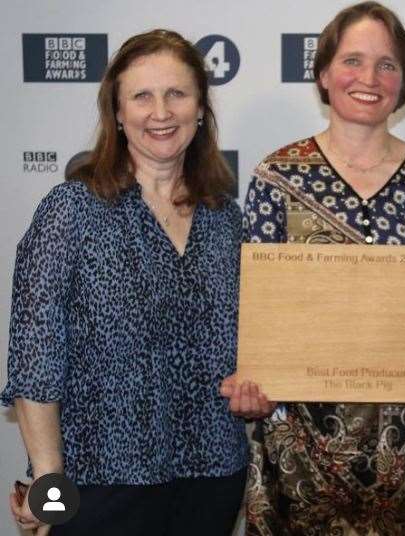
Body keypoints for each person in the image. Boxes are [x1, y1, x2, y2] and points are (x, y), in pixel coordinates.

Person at [220, 2, 405, 534]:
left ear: (404, 81)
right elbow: (253, 311)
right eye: (353, 60)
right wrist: (252, 382)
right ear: (323, 73)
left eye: (387, 64)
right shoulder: (277, 176)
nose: (369, 78)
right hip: (297, 463)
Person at [3, 29, 247, 536]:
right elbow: (34, 366)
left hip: (213, 478)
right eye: (142, 96)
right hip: (98, 489)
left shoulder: (227, 220)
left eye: (177, 94)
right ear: (117, 113)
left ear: (200, 108)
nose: (161, 112)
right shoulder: (71, 211)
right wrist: (49, 494)